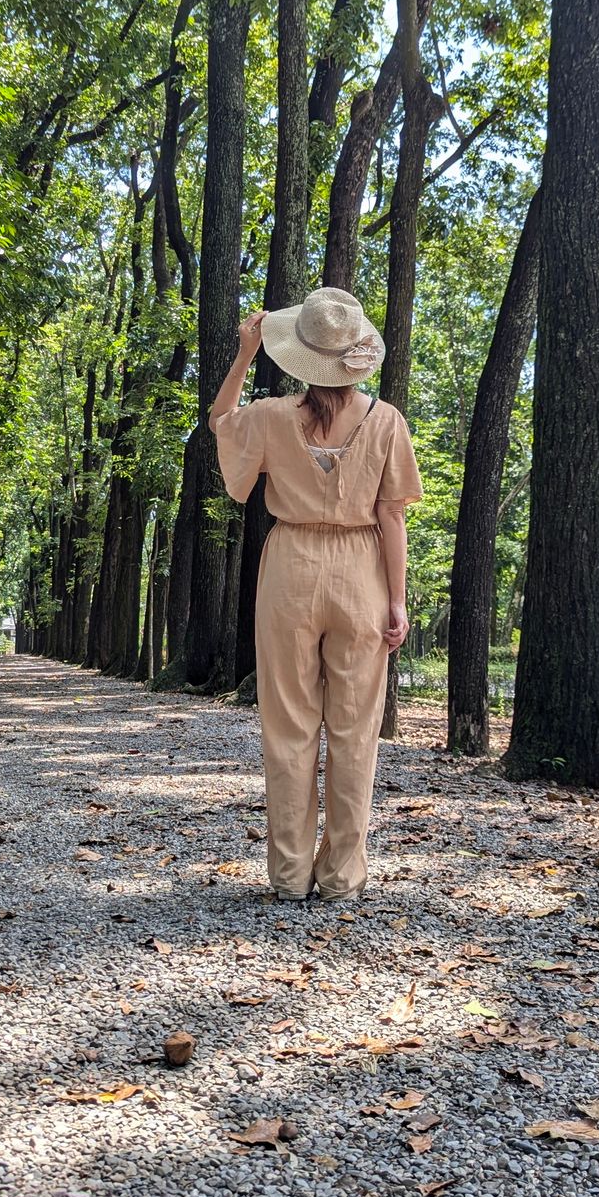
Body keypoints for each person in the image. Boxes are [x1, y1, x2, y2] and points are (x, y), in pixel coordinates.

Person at [210, 286, 422, 903]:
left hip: (291, 569)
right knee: (356, 730)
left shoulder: (273, 416)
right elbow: (393, 516)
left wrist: (245, 356)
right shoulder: (385, 422)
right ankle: (341, 876)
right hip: (363, 572)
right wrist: (398, 600)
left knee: (289, 724)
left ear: (300, 357)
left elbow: (221, 423)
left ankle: (288, 875)